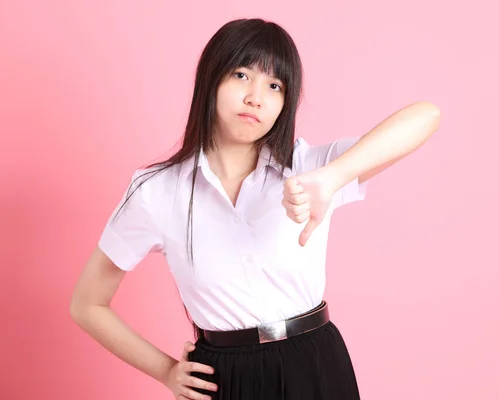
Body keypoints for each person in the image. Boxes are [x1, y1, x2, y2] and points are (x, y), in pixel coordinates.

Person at [69, 17, 440, 400]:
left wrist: (332, 178)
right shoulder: (155, 192)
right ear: (211, 79)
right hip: (224, 377)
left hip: (314, 362)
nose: (256, 98)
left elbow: (427, 116)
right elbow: (88, 303)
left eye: (274, 85)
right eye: (242, 75)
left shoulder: (309, 168)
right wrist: (166, 371)